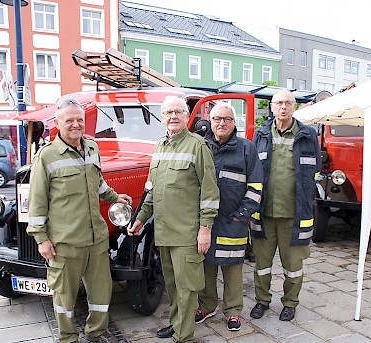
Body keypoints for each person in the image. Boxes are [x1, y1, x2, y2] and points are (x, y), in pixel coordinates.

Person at [27, 98, 132, 343]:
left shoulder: (92, 148)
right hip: (66, 243)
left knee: (101, 293)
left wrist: (116, 196)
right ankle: (68, 338)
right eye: (69, 120)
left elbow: (98, 183)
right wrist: (42, 239)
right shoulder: (46, 156)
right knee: (64, 297)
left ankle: (96, 332)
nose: (75, 124)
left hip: (96, 240)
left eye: (79, 120)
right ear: (57, 123)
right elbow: (37, 202)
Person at [128, 95, 219, 343]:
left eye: (178, 112)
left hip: (188, 233)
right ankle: (177, 324)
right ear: (162, 116)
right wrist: (140, 218)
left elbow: (210, 193)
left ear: (187, 115)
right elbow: (151, 189)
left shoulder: (198, 146)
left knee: (187, 288)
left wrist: (205, 229)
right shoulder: (159, 146)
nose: (173, 117)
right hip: (165, 232)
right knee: (172, 286)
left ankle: (184, 335)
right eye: (168, 113)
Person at [249, 89, 321, 322]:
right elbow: (252, 169)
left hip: (295, 213)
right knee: (262, 264)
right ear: (271, 107)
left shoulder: (308, 135)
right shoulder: (260, 134)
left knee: (293, 265)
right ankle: (262, 301)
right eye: (279, 103)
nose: (283, 107)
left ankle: (290, 303)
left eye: (288, 103)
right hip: (264, 212)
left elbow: (315, 169)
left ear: (294, 107)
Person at [195, 102, 263, 331]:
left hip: (233, 220)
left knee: (233, 267)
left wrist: (241, 216)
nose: (221, 123)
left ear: (234, 123)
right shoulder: (202, 146)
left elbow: (255, 187)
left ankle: (233, 311)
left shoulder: (246, 148)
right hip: (206, 220)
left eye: (227, 119)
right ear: (210, 122)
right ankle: (206, 305)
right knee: (206, 265)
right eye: (217, 119)